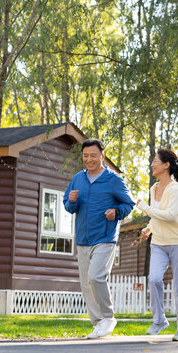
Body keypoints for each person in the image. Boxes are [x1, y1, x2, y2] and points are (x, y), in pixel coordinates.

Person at [63, 139, 135, 339]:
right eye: (85, 156)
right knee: (86, 283)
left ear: (102, 157)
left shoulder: (113, 180)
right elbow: (68, 206)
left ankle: (108, 317)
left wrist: (117, 212)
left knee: (96, 277)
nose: (89, 159)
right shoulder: (78, 179)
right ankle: (98, 323)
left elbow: (129, 204)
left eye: (93, 156)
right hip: (83, 238)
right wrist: (71, 201)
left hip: (105, 237)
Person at [136, 149, 178, 342]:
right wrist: (149, 228)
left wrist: (144, 207)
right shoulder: (153, 188)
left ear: (166, 165)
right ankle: (159, 321)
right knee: (154, 279)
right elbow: (157, 214)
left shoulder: (175, 189)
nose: (152, 164)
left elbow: (169, 215)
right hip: (158, 242)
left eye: (155, 161)